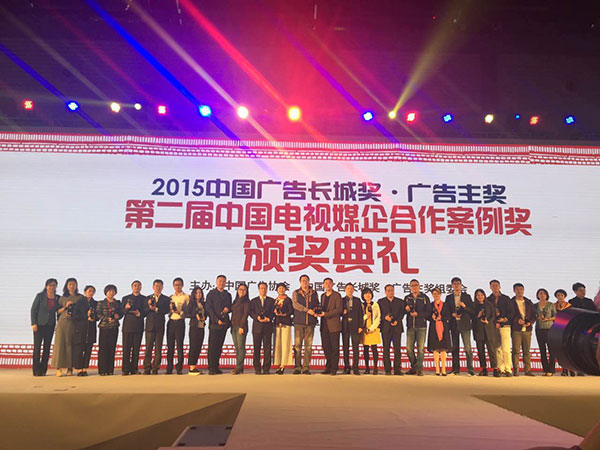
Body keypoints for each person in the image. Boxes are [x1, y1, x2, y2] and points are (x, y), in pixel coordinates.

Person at [52, 277, 83, 376]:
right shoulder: (62, 298)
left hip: (73, 323)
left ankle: (70, 368)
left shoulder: (80, 298)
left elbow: (82, 311)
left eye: (74, 284)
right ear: (66, 286)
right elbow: (57, 311)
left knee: (70, 345)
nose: (72, 286)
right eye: (70, 284)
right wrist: (66, 306)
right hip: (62, 322)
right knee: (60, 344)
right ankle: (58, 368)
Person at [445, 277, 475, 376]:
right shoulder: (449, 297)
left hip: (465, 324)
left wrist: (465, 307)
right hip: (454, 324)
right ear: (452, 286)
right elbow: (446, 311)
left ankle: (470, 369)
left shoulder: (467, 297)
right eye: (454, 284)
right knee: (455, 348)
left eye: (458, 283)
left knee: (468, 348)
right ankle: (455, 369)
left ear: (461, 285)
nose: (456, 285)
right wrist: (452, 314)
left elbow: (472, 311)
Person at [30, 278, 60, 376]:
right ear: (46, 286)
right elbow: (33, 310)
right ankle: (36, 370)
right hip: (39, 325)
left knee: (47, 348)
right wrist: (34, 323)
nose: (52, 287)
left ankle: (43, 370)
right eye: (50, 285)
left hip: (50, 325)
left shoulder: (57, 298)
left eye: (54, 285)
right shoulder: (40, 296)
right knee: (37, 348)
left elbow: (59, 311)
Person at [292, 274, 319, 375]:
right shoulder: (296, 292)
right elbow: (295, 304)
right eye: (303, 280)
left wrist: (316, 311)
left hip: (310, 323)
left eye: (306, 280)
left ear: (309, 282)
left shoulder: (314, 293)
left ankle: (306, 367)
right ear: (300, 282)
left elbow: (317, 304)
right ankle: (297, 367)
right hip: (299, 322)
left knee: (308, 346)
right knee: (297, 346)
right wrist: (307, 310)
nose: (305, 282)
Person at [206, 275, 232, 375]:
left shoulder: (228, 294)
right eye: (220, 281)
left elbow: (230, 307)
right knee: (212, 346)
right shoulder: (211, 294)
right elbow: (209, 309)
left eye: (223, 281)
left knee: (219, 346)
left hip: (224, 324)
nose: (222, 283)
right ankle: (211, 367)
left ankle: (216, 366)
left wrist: (227, 309)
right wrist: (216, 320)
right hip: (214, 324)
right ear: (216, 282)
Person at [143, 279, 170, 375]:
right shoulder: (147, 298)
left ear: (162, 287)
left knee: (158, 348)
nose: (158, 288)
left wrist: (156, 308)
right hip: (149, 326)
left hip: (160, 326)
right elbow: (144, 311)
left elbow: (166, 310)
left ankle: (155, 367)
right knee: (148, 348)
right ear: (153, 287)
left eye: (160, 286)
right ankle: (147, 367)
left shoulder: (166, 299)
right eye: (156, 286)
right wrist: (149, 307)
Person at [487, 279, 514, 377]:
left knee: (506, 348)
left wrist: (504, 319)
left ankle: (508, 369)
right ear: (490, 287)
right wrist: (495, 322)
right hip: (494, 326)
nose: (495, 287)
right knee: (497, 348)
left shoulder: (506, 298)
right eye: (493, 286)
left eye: (496, 285)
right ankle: (500, 368)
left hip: (505, 325)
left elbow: (511, 312)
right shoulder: (488, 299)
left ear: (500, 287)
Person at [404, 279, 431, 376]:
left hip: (421, 326)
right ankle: (414, 366)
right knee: (409, 348)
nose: (414, 287)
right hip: (410, 326)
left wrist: (418, 314)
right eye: (412, 285)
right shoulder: (407, 298)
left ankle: (419, 369)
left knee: (420, 349)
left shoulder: (424, 298)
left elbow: (429, 312)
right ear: (410, 287)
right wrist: (406, 310)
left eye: (416, 285)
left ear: (419, 286)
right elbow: (403, 311)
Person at [317, 277, 343, 375]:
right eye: (326, 283)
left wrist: (326, 314)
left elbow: (339, 310)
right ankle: (328, 367)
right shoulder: (323, 296)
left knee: (334, 348)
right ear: (323, 285)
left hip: (334, 325)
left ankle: (334, 368)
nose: (327, 285)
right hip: (324, 325)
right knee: (326, 347)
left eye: (329, 283)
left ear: (332, 284)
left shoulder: (337, 295)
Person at [378, 284, 405, 376]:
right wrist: (384, 317)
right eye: (388, 290)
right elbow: (378, 314)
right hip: (385, 328)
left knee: (397, 349)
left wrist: (397, 320)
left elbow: (402, 313)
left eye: (392, 290)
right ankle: (388, 370)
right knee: (386, 349)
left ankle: (397, 369)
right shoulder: (380, 302)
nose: (390, 292)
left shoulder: (400, 301)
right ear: (385, 292)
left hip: (397, 328)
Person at [510, 283, 536, 376]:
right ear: (514, 290)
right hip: (516, 329)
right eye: (517, 289)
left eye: (521, 289)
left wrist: (530, 322)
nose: (519, 291)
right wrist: (517, 320)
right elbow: (510, 315)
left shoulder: (528, 302)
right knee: (516, 351)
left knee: (526, 351)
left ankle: (527, 370)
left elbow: (534, 315)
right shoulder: (511, 302)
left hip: (527, 329)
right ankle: (516, 370)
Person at [96, 284, 123, 376]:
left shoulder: (117, 303)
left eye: (113, 291)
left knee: (112, 348)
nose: (111, 293)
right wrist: (106, 318)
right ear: (106, 292)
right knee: (103, 349)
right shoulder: (101, 303)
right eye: (109, 291)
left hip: (114, 327)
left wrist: (118, 316)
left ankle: (110, 369)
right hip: (104, 327)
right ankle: (102, 370)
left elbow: (121, 313)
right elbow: (98, 314)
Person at [72, 285, 98, 376]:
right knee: (79, 350)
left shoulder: (95, 303)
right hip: (80, 329)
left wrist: (93, 317)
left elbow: (98, 316)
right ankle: (79, 368)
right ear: (85, 292)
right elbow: (75, 316)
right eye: (89, 291)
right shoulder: (79, 302)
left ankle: (84, 368)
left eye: (92, 291)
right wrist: (85, 316)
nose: (91, 293)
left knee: (88, 350)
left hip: (91, 329)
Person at [250, 282, 275, 374]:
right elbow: (251, 312)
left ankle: (266, 368)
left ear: (267, 289)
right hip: (257, 328)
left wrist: (269, 318)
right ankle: (257, 368)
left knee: (267, 349)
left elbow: (274, 312)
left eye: (265, 288)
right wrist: (257, 317)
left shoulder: (272, 301)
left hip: (268, 327)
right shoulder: (253, 301)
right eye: (261, 288)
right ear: (258, 289)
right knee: (256, 348)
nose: (263, 290)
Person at [472, 288, 498, 377]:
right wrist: (478, 316)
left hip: (489, 330)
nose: (480, 297)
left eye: (481, 295)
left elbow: (493, 316)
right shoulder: (474, 305)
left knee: (491, 350)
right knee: (480, 351)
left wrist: (488, 321)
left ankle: (495, 369)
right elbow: (472, 317)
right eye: (478, 295)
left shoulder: (489, 304)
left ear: (484, 296)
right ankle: (483, 369)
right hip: (478, 330)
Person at [121, 280, 145, 375]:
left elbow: (145, 311)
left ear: (141, 287)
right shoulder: (125, 298)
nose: (137, 287)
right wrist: (126, 308)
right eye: (135, 286)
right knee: (126, 349)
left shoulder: (144, 299)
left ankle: (134, 368)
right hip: (127, 326)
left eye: (138, 286)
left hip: (138, 326)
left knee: (136, 349)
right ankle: (125, 369)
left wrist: (139, 314)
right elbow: (121, 312)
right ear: (132, 287)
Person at [166, 277, 189, 375]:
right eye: (175, 285)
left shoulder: (186, 297)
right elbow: (167, 311)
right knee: (170, 346)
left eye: (179, 284)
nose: (177, 286)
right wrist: (170, 310)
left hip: (180, 322)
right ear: (173, 286)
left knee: (179, 346)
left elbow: (188, 311)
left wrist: (179, 312)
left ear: (182, 285)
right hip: (171, 322)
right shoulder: (170, 297)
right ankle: (169, 368)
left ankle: (179, 368)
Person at [341, 283, 364, 375]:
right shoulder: (342, 300)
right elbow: (338, 312)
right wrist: (342, 312)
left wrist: (360, 326)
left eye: (351, 288)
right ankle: (346, 367)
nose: (350, 290)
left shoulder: (357, 300)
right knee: (345, 347)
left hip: (355, 326)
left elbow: (361, 314)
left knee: (355, 348)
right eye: (348, 288)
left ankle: (356, 368)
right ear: (345, 290)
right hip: (345, 326)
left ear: (353, 290)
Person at [427, 287, 450, 376]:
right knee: (435, 348)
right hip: (433, 327)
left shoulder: (445, 305)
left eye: (437, 293)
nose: (436, 295)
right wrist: (431, 317)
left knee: (443, 348)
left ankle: (443, 368)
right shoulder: (430, 305)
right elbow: (427, 316)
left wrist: (442, 318)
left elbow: (448, 316)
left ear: (440, 294)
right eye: (434, 294)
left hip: (443, 327)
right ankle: (437, 368)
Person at [273, 282, 294, 375]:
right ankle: (278, 364)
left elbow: (291, 311)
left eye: (283, 288)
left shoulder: (288, 300)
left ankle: (283, 365)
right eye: (279, 288)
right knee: (278, 344)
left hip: (286, 323)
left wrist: (284, 314)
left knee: (285, 344)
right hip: (277, 324)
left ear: (285, 289)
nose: (281, 290)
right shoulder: (275, 300)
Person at [535, 288, 557, 376]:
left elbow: (555, 316)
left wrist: (549, 319)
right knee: (542, 350)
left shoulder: (551, 304)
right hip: (539, 329)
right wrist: (538, 317)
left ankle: (551, 370)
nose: (542, 295)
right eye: (540, 293)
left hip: (550, 328)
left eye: (544, 293)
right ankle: (545, 369)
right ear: (537, 295)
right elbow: (533, 316)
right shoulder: (535, 305)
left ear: (547, 295)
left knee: (551, 350)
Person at [554, 289, 575, 377]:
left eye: (561, 295)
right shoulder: (553, 306)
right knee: (561, 350)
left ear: (565, 296)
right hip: (558, 329)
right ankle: (564, 370)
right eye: (558, 295)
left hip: (568, 329)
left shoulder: (569, 306)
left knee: (569, 349)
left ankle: (572, 369)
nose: (560, 297)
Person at [230, 284, 250, 375]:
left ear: (246, 292)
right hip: (233, 326)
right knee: (237, 347)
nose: (241, 291)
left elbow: (245, 315)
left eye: (244, 290)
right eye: (240, 289)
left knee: (241, 347)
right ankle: (239, 367)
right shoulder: (235, 301)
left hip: (241, 327)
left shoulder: (247, 302)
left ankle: (238, 367)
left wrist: (242, 326)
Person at [187, 287, 207, 375]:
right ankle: (191, 367)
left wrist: (204, 317)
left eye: (200, 293)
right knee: (193, 346)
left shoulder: (203, 303)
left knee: (198, 346)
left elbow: (206, 313)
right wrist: (195, 315)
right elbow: (187, 313)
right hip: (194, 327)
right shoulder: (191, 303)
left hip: (201, 327)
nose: (199, 294)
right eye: (197, 293)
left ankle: (194, 366)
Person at [361, 287, 381, 375]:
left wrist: (372, 328)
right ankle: (367, 368)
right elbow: (359, 317)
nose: (367, 295)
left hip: (373, 329)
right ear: (363, 296)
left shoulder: (375, 305)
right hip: (364, 329)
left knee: (374, 349)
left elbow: (378, 317)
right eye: (365, 294)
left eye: (369, 293)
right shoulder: (361, 305)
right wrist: (366, 316)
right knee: (365, 349)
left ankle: (375, 368)